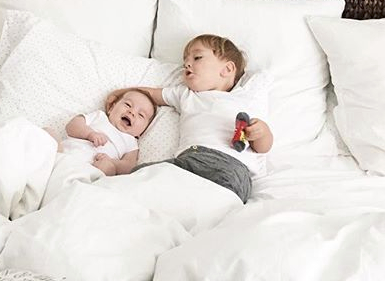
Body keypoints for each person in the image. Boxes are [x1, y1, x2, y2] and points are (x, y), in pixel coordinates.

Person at [106, 34, 272, 202]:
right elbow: (151, 94)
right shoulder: (186, 95)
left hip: (230, 165)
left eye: (197, 57)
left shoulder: (244, 97)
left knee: (222, 196)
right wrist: (121, 94)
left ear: (228, 69)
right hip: (189, 159)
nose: (187, 64)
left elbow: (262, 148)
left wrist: (262, 133)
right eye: (185, 60)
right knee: (143, 175)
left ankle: (212, 210)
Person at [54, 88, 157, 177]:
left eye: (141, 115)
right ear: (111, 108)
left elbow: (128, 166)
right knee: (49, 134)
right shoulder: (99, 116)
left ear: (142, 132)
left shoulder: (131, 143)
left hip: (90, 170)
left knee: (107, 168)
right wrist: (89, 134)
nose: (132, 112)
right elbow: (72, 126)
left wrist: (112, 163)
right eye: (128, 105)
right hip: (63, 155)